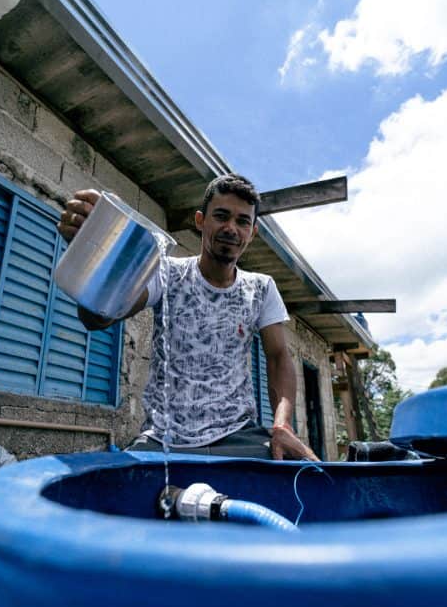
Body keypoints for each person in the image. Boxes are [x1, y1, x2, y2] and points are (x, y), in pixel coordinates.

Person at [58, 174, 317, 461]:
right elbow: (98, 319)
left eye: (242, 221)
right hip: (164, 437)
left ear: (252, 232)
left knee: (306, 480)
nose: (231, 228)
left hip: (238, 434)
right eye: (221, 216)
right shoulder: (166, 273)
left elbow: (279, 356)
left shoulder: (261, 287)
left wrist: (282, 424)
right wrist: (90, 251)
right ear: (200, 221)